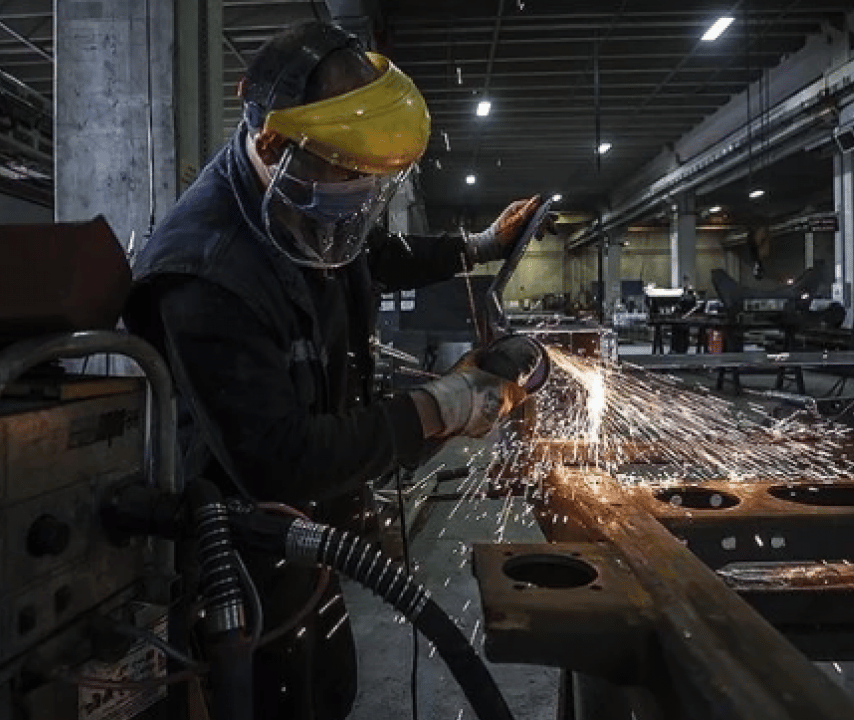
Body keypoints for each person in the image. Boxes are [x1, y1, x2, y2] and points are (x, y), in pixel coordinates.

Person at [123, 20, 547, 720]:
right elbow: (278, 460)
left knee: (330, 692)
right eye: (346, 173)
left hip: (319, 532)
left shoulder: (305, 196)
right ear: (272, 142)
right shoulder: (204, 275)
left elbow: (369, 254)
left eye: (370, 180)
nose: (356, 192)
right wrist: (443, 405)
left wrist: (476, 244)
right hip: (237, 553)